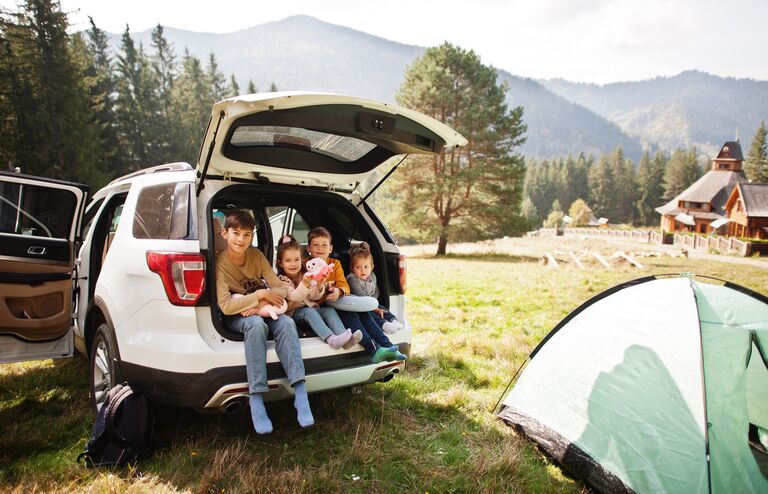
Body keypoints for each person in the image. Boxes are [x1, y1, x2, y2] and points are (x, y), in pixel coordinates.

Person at [215, 210, 313, 434]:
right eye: (236, 233)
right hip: (240, 316)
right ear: (224, 233)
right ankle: (257, 398)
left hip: (266, 309)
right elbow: (226, 306)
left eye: (246, 235)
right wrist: (260, 296)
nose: (241, 239)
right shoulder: (220, 264)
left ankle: (300, 393)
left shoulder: (257, 256)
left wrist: (267, 297)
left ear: (252, 236)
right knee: (256, 325)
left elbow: (278, 287)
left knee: (288, 324)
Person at [306, 226, 406, 363]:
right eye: (315, 245)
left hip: (338, 301)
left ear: (330, 248)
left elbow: (344, 285)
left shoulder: (335, 264)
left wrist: (339, 291)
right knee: (350, 314)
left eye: (324, 245)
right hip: (323, 306)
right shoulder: (306, 266)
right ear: (308, 249)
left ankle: (388, 347)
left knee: (363, 313)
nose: (320, 248)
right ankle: (374, 350)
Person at [275, 234, 362, 349]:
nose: (293, 264)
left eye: (297, 259)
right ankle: (331, 339)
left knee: (328, 310)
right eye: (288, 260)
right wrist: (305, 283)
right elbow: (295, 297)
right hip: (292, 313)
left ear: (302, 259)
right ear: (280, 263)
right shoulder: (281, 280)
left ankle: (344, 339)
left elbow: (314, 296)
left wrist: (320, 284)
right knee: (309, 312)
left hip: (309, 308)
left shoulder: (304, 274)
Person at [346, 241, 405, 334]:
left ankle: (393, 320)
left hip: (371, 302)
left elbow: (376, 291)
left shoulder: (372, 276)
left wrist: (375, 303)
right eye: (358, 267)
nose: (362, 270)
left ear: (372, 267)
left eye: (366, 267)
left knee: (383, 308)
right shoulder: (352, 279)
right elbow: (361, 296)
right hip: (359, 304)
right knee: (370, 314)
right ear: (352, 268)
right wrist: (374, 307)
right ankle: (384, 324)